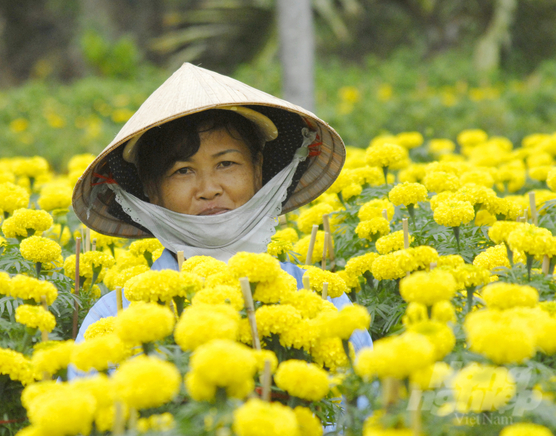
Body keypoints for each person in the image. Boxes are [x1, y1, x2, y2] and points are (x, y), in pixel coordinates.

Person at [69, 63, 372, 379]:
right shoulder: (115, 316)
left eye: (226, 164)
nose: (209, 189)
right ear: (150, 191)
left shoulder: (322, 298)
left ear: (259, 170)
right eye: (183, 171)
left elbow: (367, 411)